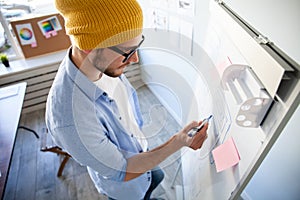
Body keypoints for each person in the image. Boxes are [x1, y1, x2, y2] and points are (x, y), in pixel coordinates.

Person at [46, 0, 208, 199]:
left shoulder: (103, 63)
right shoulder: (70, 120)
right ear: (90, 47)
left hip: (141, 151)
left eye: (137, 46)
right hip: (126, 188)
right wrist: (178, 142)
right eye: (128, 52)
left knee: (155, 177)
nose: (135, 59)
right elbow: (123, 170)